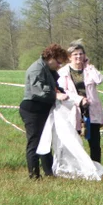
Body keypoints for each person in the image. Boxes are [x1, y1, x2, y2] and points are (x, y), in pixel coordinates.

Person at [20, 44, 69, 179]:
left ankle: (49, 173)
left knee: (45, 140)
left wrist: (60, 91)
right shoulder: (36, 69)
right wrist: (55, 95)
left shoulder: (48, 69)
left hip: (43, 108)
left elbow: (54, 86)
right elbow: (38, 91)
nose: (59, 66)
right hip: (32, 109)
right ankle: (34, 175)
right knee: (34, 142)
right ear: (50, 57)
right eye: (58, 62)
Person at [56, 41, 103, 165]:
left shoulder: (89, 69)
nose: (78, 57)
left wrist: (88, 66)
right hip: (73, 110)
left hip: (91, 110)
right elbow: (64, 91)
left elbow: (99, 79)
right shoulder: (63, 72)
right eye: (75, 54)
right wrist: (79, 99)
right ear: (69, 57)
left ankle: (96, 167)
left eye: (81, 54)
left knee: (94, 143)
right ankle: (75, 167)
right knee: (74, 142)